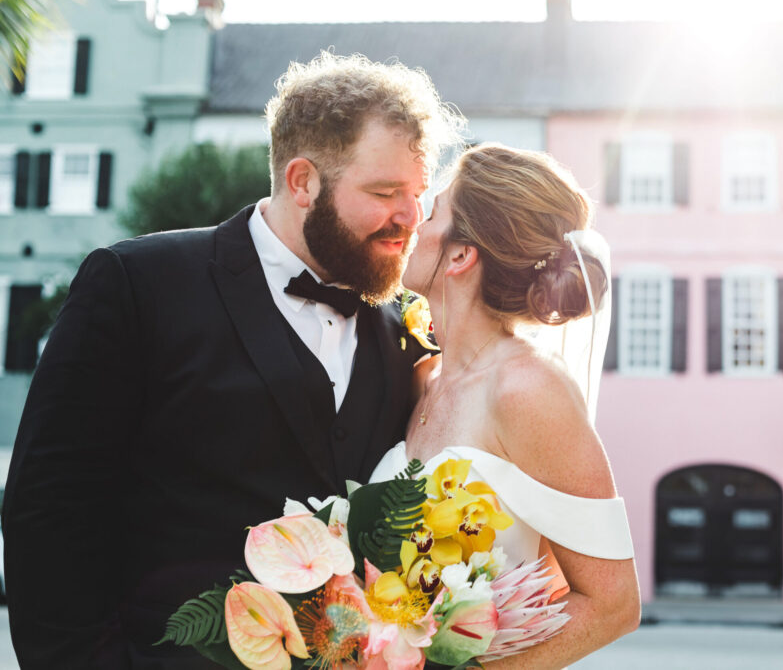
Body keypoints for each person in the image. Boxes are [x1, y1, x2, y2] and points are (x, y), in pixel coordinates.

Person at [1, 53, 463, 668]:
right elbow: (49, 511)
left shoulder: (405, 330)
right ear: (302, 181)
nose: (410, 218)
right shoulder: (138, 285)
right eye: (384, 193)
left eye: (417, 194)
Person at [369, 144, 642, 668]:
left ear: (460, 255)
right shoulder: (425, 377)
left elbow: (614, 606)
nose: (415, 226)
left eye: (434, 213)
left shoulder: (527, 388)